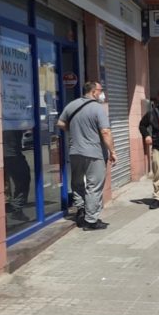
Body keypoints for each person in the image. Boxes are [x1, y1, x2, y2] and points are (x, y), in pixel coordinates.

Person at [57, 81, 116, 231]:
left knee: (77, 182)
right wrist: (112, 151)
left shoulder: (72, 105)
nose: (102, 94)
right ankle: (91, 220)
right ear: (94, 92)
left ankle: (81, 211)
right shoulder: (98, 108)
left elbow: (60, 123)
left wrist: (75, 132)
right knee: (94, 186)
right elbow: (105, 132)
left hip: (75, 151)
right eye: (100, 90)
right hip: (94, 153)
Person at [2, 130, 31, 221]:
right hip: (12, 155)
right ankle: (16, 209)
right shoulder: (13, 120)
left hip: (5, 154)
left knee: (6, 183)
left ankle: (13, 208)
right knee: (23, 181)